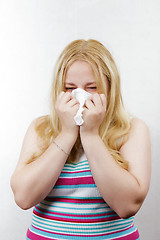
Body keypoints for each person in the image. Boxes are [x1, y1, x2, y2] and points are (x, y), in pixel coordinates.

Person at [10, 39, 151, 240]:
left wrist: (90, 135)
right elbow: (23, 198)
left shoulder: (131, 130)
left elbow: (127, 206)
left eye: (92, 87)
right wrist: (67, 134)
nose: (80, 96)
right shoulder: (41, 129)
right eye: (70, 88)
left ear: (110, 88)